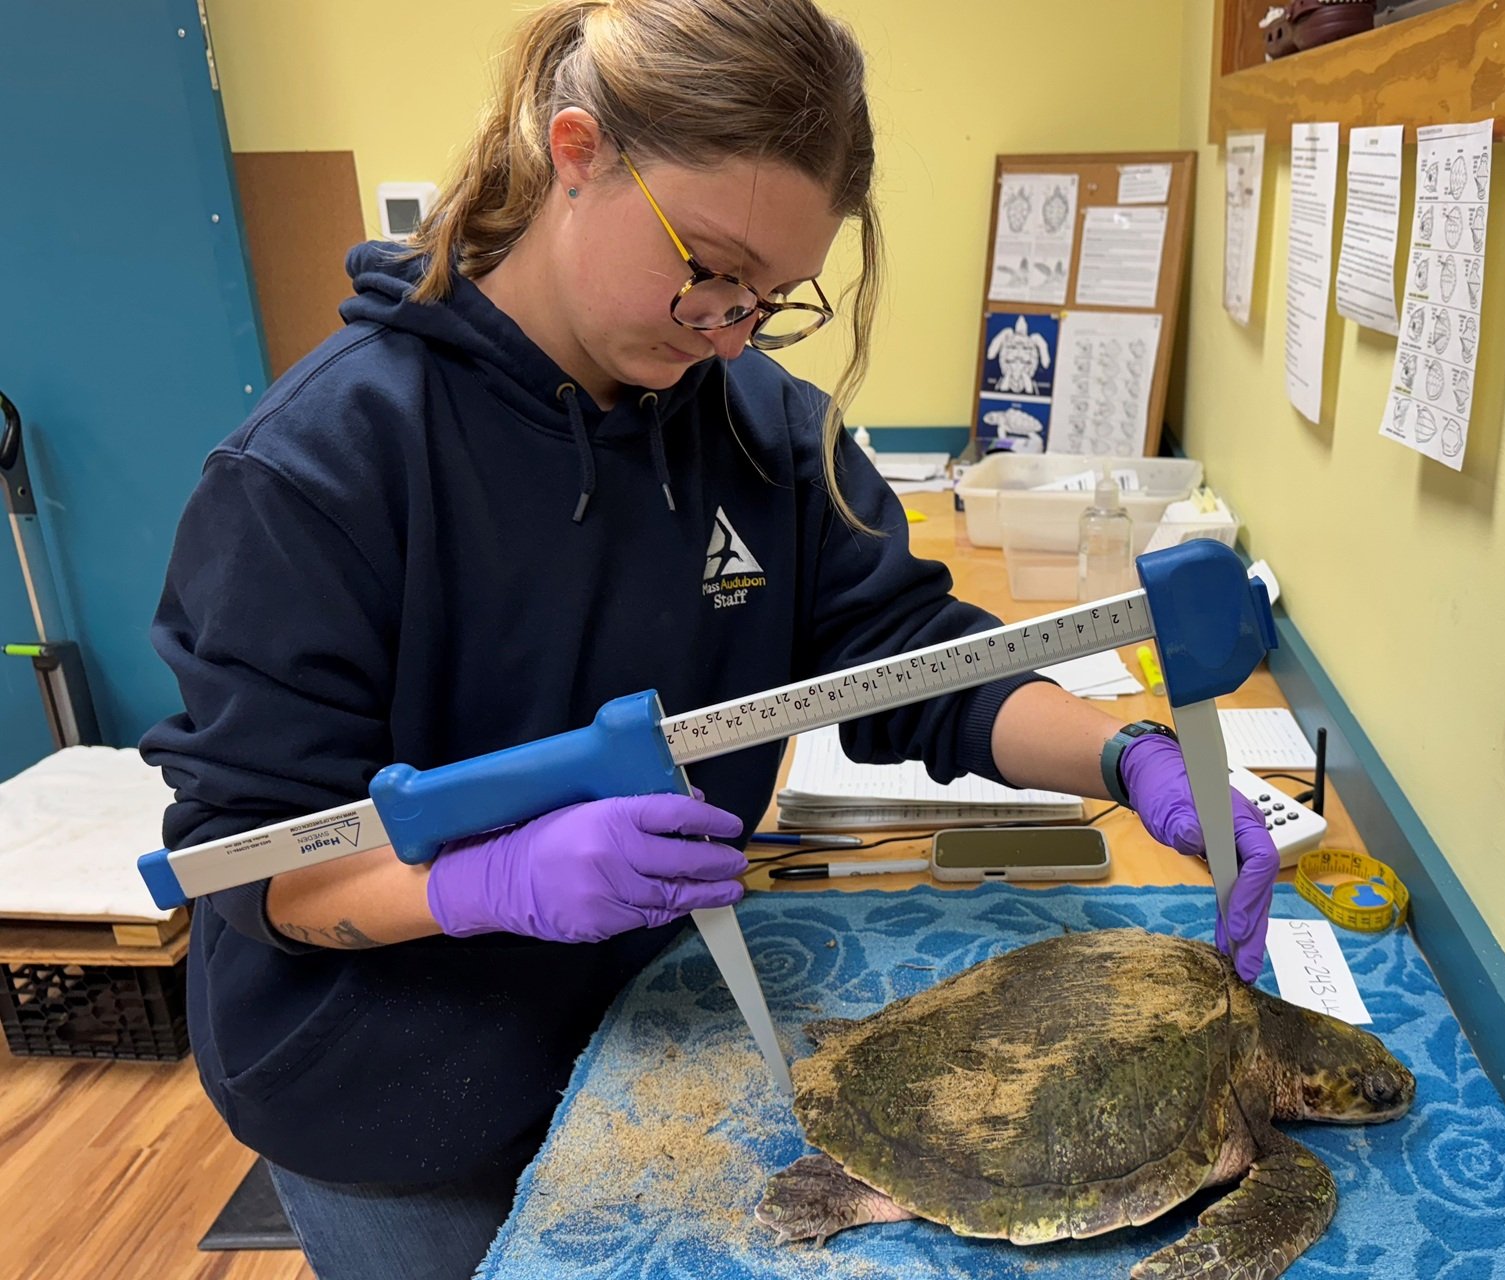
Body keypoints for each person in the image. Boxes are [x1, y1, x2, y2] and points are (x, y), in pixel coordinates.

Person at [139, 1, 1281, 1275]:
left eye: (772, 298)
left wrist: (1128, 756)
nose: (731, 327)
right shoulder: (317, 473)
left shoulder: (754, 425)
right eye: (712, 266)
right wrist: (489, 882)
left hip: (656, 1015)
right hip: (396, 1087)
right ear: (578, 151)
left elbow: (907, 659)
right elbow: (255, 871)